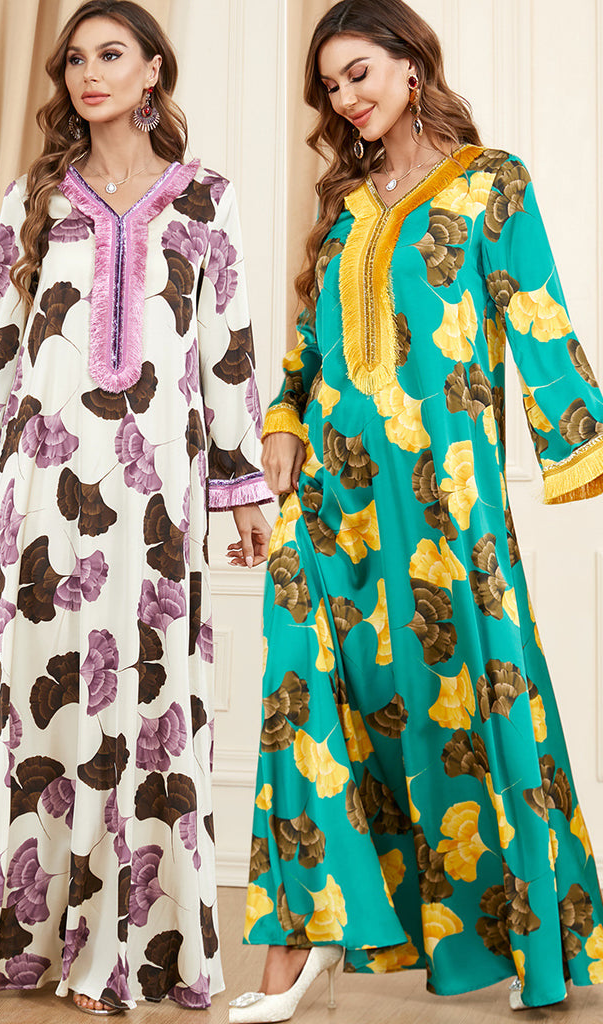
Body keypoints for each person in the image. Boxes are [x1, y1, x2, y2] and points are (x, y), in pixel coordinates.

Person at [0, 0, 272, 1014]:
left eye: (112, 54)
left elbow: (227, 348)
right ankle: (1, 939)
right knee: (18, 700)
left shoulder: (207, 201)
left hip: (156, 500)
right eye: (75, 60)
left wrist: (241, 485)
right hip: (40, 494)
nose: (89, 73)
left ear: (153, 72)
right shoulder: (33, 199)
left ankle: (129, 950)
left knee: (142, 707)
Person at [231, 1, 603, 1020]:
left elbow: (537, 312)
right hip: (332, 493)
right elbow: (307, 352)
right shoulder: (345, 211)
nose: (346, 97)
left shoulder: (491, 182)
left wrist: (578, 441)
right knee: (299, 689)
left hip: (446, 497)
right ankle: (296, 942)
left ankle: (527, 939)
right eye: (331, 85)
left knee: (467, 699)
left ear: (410, 65)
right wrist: (280, 422)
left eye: (358, 73)